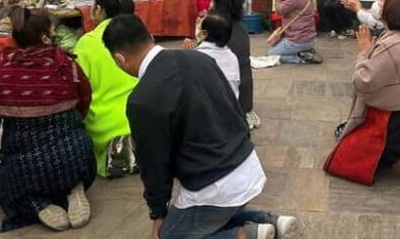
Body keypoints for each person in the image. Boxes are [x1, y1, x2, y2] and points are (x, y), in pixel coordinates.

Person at [103, 14, 301, 239]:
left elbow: (154, 164)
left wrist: (158, 213)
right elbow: (236, 110)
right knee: (207, 219)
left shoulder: (142, 99)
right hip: (247, 162)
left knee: (170, 235)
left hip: (213, 182)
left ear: (120, 59)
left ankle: (245, 235)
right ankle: (271, 222)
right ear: (150, 36)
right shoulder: (200, 58)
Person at [0, 7, 96, 232]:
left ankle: (37, 204)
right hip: (75, 156)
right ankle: (73, 188)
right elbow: (84, 103)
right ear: (45, 37)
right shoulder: (67, 65)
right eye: (53, 31)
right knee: (78, 150)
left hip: (25, 169)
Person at [328, 0, 400, 184]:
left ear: (393, 10)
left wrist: (364, 53)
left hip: (392, 125)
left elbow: (362, 82)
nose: (378, 4)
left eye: (382, 1)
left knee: (342, 159)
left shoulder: (390, 45)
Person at [73, 0, 139, 178]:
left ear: (99, 9)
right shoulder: (139, 35)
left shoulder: (88, 42)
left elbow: (79, 89)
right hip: (141, 119)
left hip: (105, 127)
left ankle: (114, 154)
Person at [211, 0, 260, 129]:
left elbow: (205, 64)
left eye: (213, 1)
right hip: (244, 97)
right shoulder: (241, 28)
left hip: (228, 97)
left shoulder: (218, 32)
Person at [268, 0, 322, 64]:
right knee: (275, 48)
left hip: (298, 40)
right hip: (307, 38)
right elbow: (288, 6)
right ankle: (305, 52)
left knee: (271, 55)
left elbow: (280, 10)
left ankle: (301, 58)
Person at [183, 13, 240, 97]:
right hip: (230, 104)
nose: (197, 29)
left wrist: (187, 57)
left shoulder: (197, 56)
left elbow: (188, 86)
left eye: (199, 26)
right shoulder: (232, 57)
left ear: (204, 33)